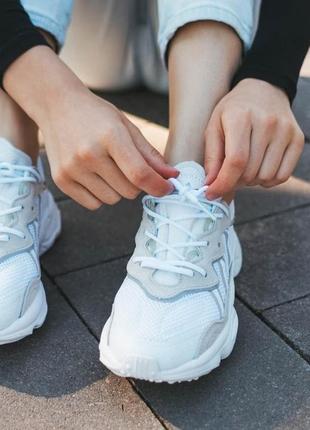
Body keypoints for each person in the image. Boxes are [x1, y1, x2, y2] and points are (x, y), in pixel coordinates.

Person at [0, 0, 308, 383]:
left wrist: (270, 74)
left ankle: (193, 186)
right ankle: (11, 152)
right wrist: (57, 99)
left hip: (214, 36)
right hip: (83, 37)